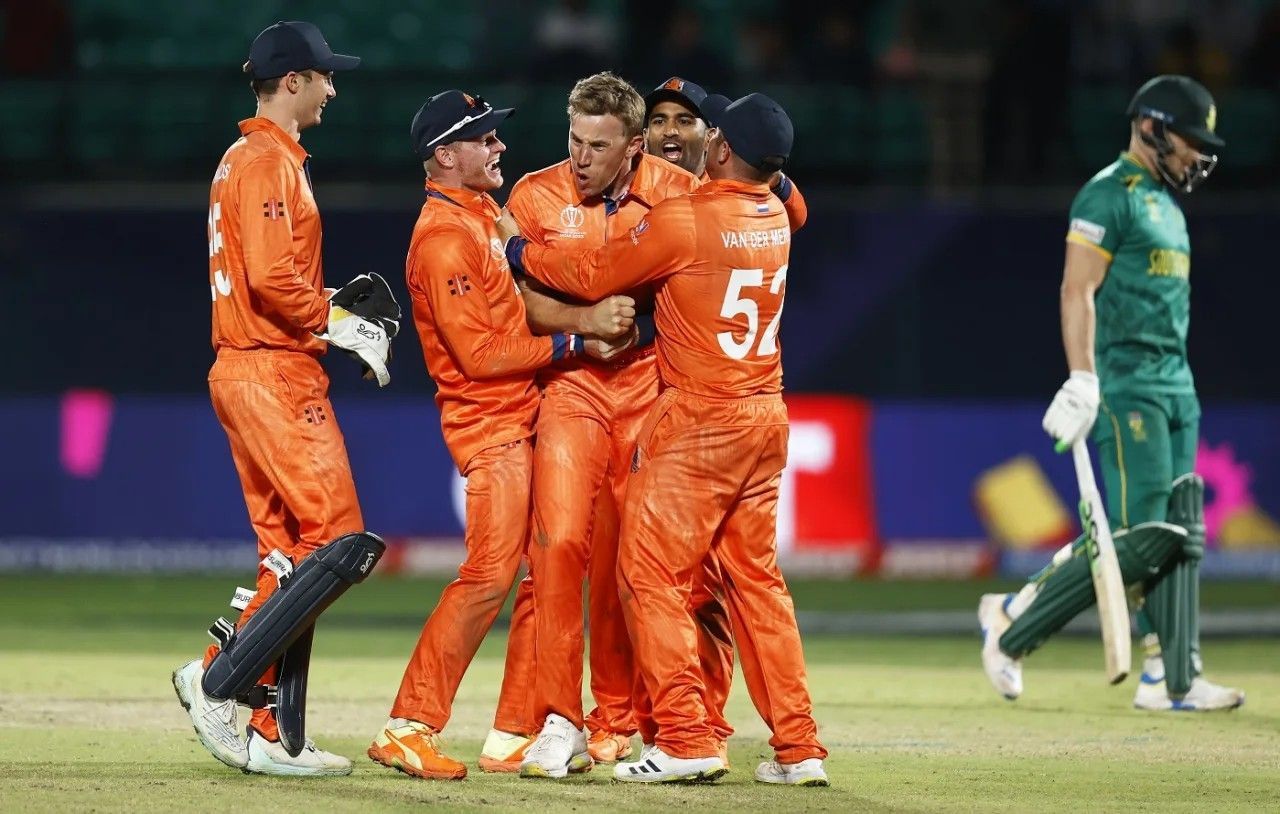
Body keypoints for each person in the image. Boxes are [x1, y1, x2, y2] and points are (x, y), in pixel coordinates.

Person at [502, 92, 830, 787]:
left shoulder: (685, 218)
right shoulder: (776, 214)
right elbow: (794, 200)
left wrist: (515, 247)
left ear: (719, 149)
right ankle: (798, 749)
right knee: (757, 583)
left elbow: (594, 275)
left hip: (699, 420)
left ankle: (685, 737)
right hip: (766, 416)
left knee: (648, 575)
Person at [366, 89, 628, 782]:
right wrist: (576, 339)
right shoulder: (444, 238)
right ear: (444, 155)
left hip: (521, 416)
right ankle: (408, 725)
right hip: (491, 430)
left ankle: (514, 730)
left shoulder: (480, 213)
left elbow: (518, 297)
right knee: (489, 576)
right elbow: (480, 356)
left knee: (545, 573)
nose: (499, 146)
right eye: (483, 139)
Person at [979, 75, 1245, 712]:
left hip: (1177, 383)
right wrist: (1084, 377)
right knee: (1148, 533)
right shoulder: (1108, 195)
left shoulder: (1165, 202)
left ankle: (1172, 678)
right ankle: (1013, 624)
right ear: (1151, 127)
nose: (1197, 155)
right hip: (1128, 384)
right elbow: (1077, 290)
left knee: (1183, 532)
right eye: (1189, 140)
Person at [171, 20, 390, 777]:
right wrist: (337, 319)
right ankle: (217, 682)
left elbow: (272, 278)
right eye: (325, 75)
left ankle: (270, 730)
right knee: (337, 542)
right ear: (291, 81)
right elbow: (272, 280)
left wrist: (327, 306)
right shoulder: (268, 161)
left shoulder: (246, 158)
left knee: (291, 554)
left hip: (246, 366)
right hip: (273, 372)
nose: (333, 87)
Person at [644, 77, 808, 230]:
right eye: (659, 121)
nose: (670, 131)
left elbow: (795, 219)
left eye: (684, 121)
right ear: (645, 135)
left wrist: (772, 177)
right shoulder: (628, 186)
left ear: (710, 135)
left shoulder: (734, 180)